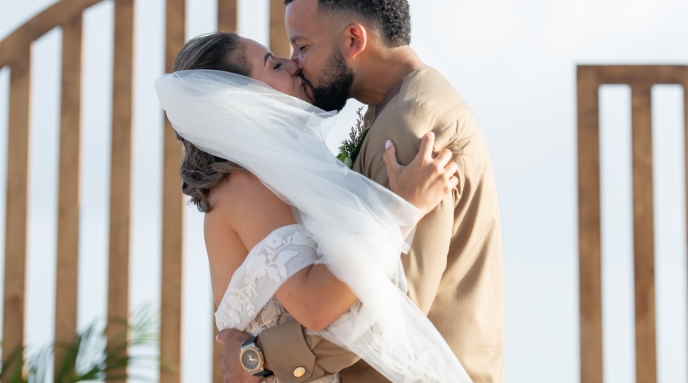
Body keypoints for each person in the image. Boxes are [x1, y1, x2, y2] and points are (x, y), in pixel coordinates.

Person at [219, 0, 505, 382]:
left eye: (302, 47)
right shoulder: (389, 113)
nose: (295, 63)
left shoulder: (411, 128)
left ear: (353, 39)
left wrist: (259, 356)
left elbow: (387, 308)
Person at [156, 32, 471, 383]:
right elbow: (315, 306)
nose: (293, 65)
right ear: (238, 101)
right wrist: (403, 209)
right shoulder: (242, 186)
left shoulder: (268, 178)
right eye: (273, 64)